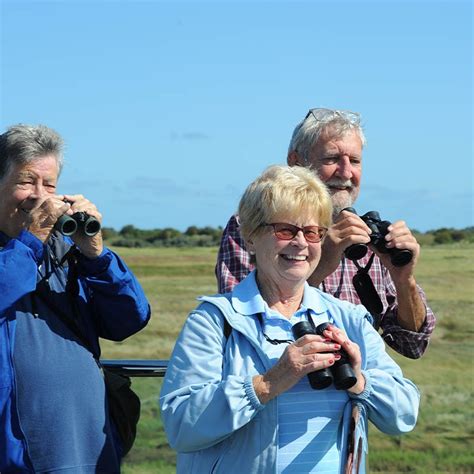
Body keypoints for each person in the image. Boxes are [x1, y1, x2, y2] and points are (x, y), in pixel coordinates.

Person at [160, 165, 419, 474]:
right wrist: (270, 382)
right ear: (252, 237)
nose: (300, 243)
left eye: (312, 233)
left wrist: (360, 381)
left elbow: (404, 414)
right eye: (285, 230)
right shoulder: (215, 321)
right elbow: (180, 425)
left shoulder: (348, 319)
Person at [216, 107, 435, 359]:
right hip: (281, 387)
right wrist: (321, 259)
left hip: (356, 392)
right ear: (296, 162)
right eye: (331, 159)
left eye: (354, 161)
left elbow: (413, 345)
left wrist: (403, 279)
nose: (345, 172)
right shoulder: (255, 225)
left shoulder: (366, 237)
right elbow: (238, 328)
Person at [0, 124, 151, 472]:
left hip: (83, 448)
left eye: (49, 184)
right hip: (16, 453)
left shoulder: (62, 248)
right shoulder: (34, 245)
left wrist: (96, 257)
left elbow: (129, 319)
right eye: (26, 182)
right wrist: (32, 241)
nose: (40, 196)